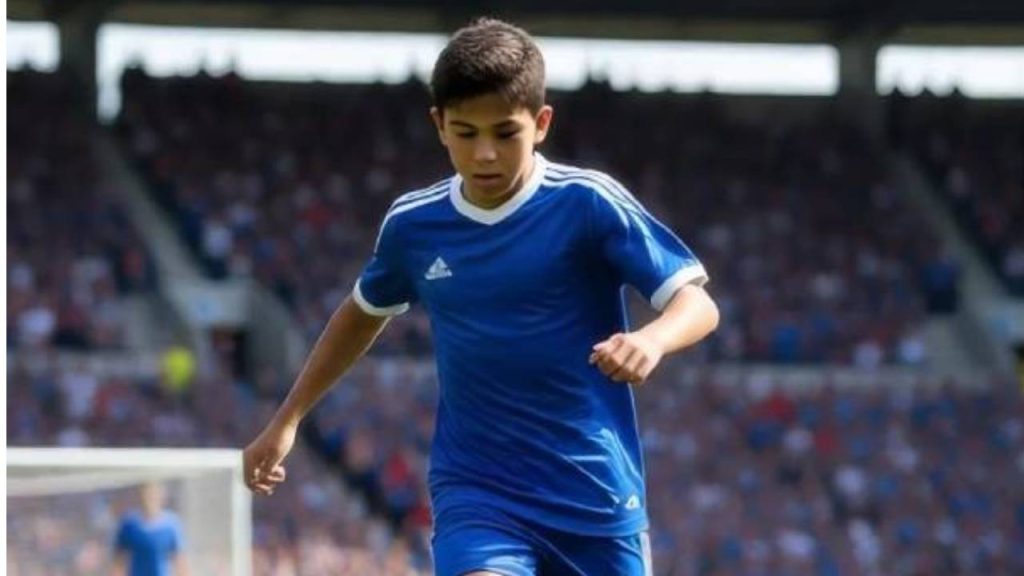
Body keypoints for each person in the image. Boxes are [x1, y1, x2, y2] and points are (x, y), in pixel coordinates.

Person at [243, 17, 720, 576]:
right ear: (439, 125)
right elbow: (360, 315)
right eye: (466, 133)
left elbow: (698, 304)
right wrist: (288, 419)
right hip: (479, 492)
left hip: (593, 494)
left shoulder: (587, 204)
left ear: (540, 124)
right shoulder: (415, 225)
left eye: (505, 133)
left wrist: (652, 340)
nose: (486, 154)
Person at [113, 482, 188, 576]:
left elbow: (179, 560)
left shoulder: (171, 526)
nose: (151, 497)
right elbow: (119, 561)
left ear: (162, 495)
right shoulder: (129, 524)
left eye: (155, 493)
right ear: (141, 494)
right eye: (148, 492)